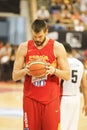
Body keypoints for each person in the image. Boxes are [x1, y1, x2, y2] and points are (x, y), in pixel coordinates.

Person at [12, 19, 70, 130]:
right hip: (30, 99)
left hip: (51, 99)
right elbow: (15, 76)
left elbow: (67, 75)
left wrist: (54, 71)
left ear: (46, 31)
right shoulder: (24, 47)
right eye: (35, 37)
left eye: (40, 37)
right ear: (31, 32)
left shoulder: (57, 47)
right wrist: (25, 70)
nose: (37, 39)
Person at [60, 42, 87, 130]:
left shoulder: (62, 63)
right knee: (72, 127)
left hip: (63, 98)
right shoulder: (80, 64)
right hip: (76, 99)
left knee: (62, 126)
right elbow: (84, 86)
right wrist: (86, 103)